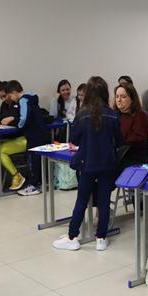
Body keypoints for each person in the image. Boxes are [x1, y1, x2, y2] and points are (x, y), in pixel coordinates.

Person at [53, 76, 124, 252]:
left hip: (87, 163)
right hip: (108, 164)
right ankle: (101, 238)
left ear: (88, 93)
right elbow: (119, 140)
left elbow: (74, 139)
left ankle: (72, 237)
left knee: (82, 200)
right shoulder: (112, 114)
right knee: (104, 201)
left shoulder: (82, 114)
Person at [6, 80, 50, 196]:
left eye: (10, 96)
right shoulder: (31, 97)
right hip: (40, 133)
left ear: (14, 92)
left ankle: (34, 186)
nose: (11, 99)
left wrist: (18, 126)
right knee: (38, 160)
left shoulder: (23, 101)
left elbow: (24, 118)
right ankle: (38, 183)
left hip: (33, 135)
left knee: (32, 160)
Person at [114, 83, 148, 166]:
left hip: (133, 159)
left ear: (132, 99)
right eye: (117, 96)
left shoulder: (140, 115)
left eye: (123, 97)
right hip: (116, 156)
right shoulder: (114, 115)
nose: (119, 100)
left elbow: (138, 140)